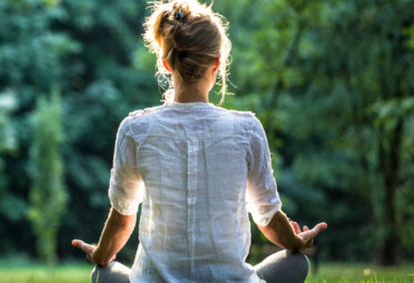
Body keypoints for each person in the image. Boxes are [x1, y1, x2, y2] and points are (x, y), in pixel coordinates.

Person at [70, 1, 328, 282]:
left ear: (166, 63)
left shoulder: (135, 129)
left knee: (102, 272)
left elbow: (122, 220)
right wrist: (296, 241)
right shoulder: (247, 129)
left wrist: (100, 255)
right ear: (217, 61)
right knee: (296, 262)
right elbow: (267, 217)